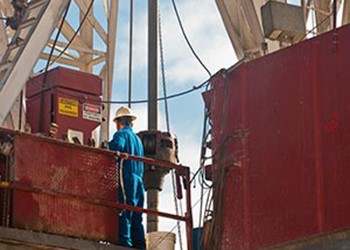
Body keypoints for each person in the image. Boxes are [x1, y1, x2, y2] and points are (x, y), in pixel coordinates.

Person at [109, 106, 146, 250]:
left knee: (124, 211)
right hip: (139, 181)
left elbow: (115, 147)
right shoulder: (138, 140)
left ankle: (126, 244)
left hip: (127, 178)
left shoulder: (121, 135)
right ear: (131, 122)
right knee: (137, 215)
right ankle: (140, 246)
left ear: (118, 122)